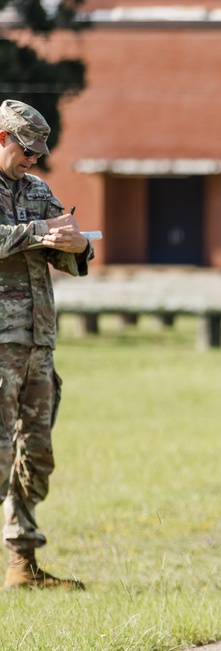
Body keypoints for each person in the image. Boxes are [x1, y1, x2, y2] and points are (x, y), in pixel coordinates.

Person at [0, 99, 92, 589]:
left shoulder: (37, 188)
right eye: (26, 149)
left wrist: (80, 246)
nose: (33, 160)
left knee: (35, 454)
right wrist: (38, 233)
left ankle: (23, 564)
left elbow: (67, 246)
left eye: (38, 152)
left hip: (38, 342)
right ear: (2, 138)